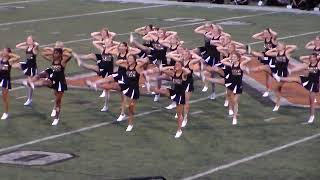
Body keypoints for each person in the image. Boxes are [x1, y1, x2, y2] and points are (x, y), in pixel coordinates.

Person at [24, 42, 73, 126]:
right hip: (52, 77)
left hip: (60, 82)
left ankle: (56, 118)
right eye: (54, 53)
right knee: (43, 80)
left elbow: (70, 55)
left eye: (56, 53)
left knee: (58, 101)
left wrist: (62, 49)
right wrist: (53, 50)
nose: (54, 54)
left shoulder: (63, 61)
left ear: (60, 54)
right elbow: (43, 54)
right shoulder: (52, 59)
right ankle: (32, 83)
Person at [204, 52, 251, 125]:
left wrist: (243, 57)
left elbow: (249, 59)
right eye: (232, 57)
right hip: (231, 83)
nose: (233, 58)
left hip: (238, 85)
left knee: (235, 101)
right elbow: (222, 61)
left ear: (238, 58)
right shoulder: (231, 64)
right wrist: (229, 58)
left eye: (234, 57)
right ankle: (230, 108)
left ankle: (234, 117)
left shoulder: (240, 65)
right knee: (229, 96)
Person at [73, 39, 119, 112]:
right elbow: (94, 42)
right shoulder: (103, 49)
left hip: (107, 69)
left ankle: (106, 105)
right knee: (94, 57)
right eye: (106, 42)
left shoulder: (113, 51)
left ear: (111, 44)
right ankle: (81, 61)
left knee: (107, 89)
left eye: (108, 42)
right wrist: (104, 42)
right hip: (102, 66)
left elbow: (118, 46)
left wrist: (113, 43)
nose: (106, 43)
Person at [148, 61, 191, 138]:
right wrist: (171, 67)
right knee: (160, 90)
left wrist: (181, 67)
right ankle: (164, 97)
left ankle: (179, 130)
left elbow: (188, 71)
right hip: (174, 92)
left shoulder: (184, 74)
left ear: (181, 66)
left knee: (179, 114)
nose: (176, 66)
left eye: (178, 65)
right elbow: (162, 69)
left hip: (180, 95)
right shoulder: (173, 73)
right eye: (176, 64)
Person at [274, 53, 319, 123]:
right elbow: (301, 58)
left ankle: (312, 116)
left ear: (316, 58)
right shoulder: (308, 63)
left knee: (312, 101)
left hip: (313, 84)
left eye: (312, 57)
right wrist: (309, 56)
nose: (311, 58)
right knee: (294, 79)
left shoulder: (318, 65)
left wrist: (317, 56)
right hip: (307, 80)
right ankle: (279, 78)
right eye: (310, 57)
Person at [252, 28, 278, 97]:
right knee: (267, 75)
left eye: (266, 33)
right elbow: (254, 36)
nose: (265, 34)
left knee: (269, 75)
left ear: (270, 34)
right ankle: (268, 89)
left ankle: (268, 89)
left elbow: (275, 34)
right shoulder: (265, 39)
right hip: (266, 57)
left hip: (273, 58)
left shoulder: (273, 39)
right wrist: (261, 33)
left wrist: (270, 30)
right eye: (264, 33)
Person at [15, 35, 39, 106]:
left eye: (29, 40)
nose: (28, 41)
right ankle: (30, 85)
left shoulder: (34, 49)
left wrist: (35, 44)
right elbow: (17, 46)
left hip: (32, 68)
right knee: (16, 65)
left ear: (32, 41)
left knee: (29, 83)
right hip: (26, 65)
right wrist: (25, 42)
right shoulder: (27, 47)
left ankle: (29, 98)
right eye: (27, 40)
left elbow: (37, 46)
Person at [0, 48, 21, 120]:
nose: (3, 52)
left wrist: (9, 54)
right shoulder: (1, 58)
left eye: (5, 51)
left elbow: (18, 57)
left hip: (5, 80)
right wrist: (3, 53)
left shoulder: (10, 60)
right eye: (3, 51)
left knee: (4, 97)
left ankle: (6, 113)